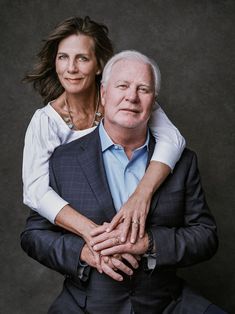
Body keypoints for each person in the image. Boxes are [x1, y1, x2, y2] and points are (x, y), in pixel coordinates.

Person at [21, 50, 226, 314]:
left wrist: (148, 243)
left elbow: (206, 236)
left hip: (167, 303)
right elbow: (33, 236)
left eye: (143, 89)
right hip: (85, 304)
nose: (132, 96)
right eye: (123, 86)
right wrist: (83, 252)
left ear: (153, 102)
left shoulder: (182, 162)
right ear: (103, 94)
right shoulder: (63, 160)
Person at [22, 16, 186, 259]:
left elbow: (173, 139)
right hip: (86, 231)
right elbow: (35, 192)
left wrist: (141, 195)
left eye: (82, 58)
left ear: (98, 65)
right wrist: (94, 234)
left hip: (143, 227)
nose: (71, 68)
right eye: (63, 57)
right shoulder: (45, 122)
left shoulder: (124, 100)